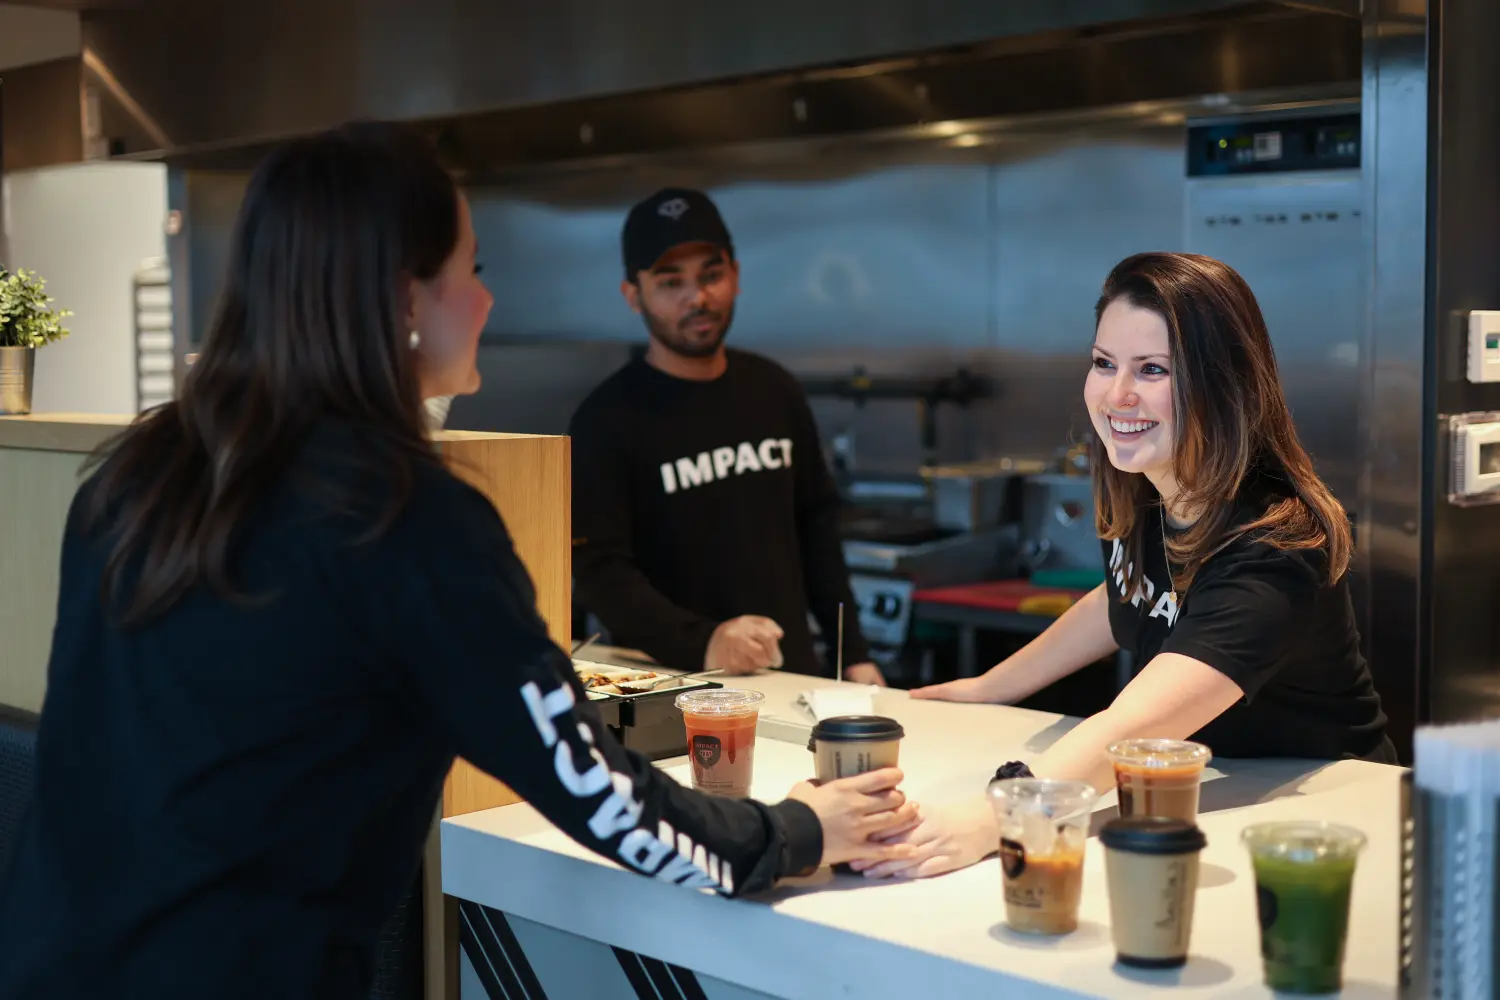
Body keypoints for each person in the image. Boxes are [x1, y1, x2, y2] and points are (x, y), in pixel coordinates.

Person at [0, 124, 918, 1000]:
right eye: (470, 271)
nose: (484, 301)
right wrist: (795, 832)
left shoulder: (134, 476)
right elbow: (597, 792)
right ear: (406, 299)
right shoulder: (405, 520)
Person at [848, 251, 1393, 881]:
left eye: (1154, 369)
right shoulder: (1153, 484)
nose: (1117, 393)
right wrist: (989, 687)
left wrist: (996, 816)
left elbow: (1132, 727)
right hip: (1210, 792)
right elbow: (1124, 597)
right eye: (1104, 363)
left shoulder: (1274, 548)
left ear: (1225, 384)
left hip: (1329, 818)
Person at [568, 187, 886, 685]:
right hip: (675, 688)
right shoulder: (606, 419)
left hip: (793, 681)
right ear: (633, 295)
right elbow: (598, 572)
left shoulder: (774, 389)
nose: (697, 298)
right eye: (671, 282)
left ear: (735, 276)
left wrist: (854, 654)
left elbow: (817, 530)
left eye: (711, 275)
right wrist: (704, 641)